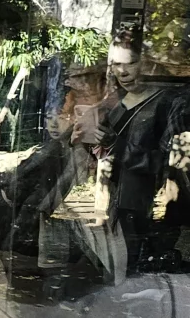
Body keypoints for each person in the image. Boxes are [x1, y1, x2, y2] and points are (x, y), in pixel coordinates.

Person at [72, 25, 178, 274]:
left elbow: (164, 163)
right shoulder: (116, 104)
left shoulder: (166, 103)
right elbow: (102, 156)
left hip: (144, 211)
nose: (122, 72)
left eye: (129, 63)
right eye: (116, 65)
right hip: (112, 208)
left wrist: (115, 145)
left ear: (148, 63)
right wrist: (86, 141)